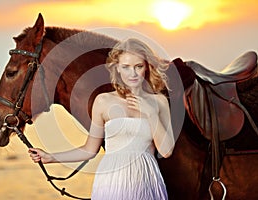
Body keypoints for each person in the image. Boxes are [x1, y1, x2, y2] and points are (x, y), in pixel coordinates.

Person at [29, 38, 175, 200]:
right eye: (125, 67)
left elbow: (167, 151)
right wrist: (50, 157)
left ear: (146, 67)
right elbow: (90, 150)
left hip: (147, 180)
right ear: (117, 68)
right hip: (111, 180)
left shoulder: (159, 102)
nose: (132, 73)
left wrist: (150, 113)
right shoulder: (103, 101)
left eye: (138, 66)